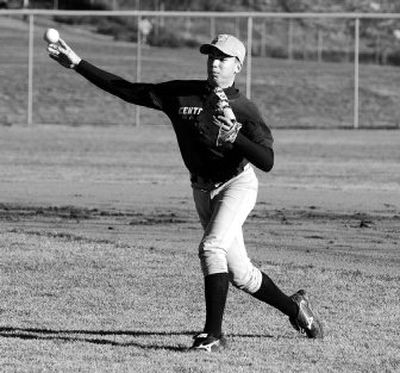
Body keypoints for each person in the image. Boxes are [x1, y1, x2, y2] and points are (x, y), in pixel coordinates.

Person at [47, 33, 323, 352]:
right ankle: (297, 309)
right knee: (242, 274)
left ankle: (213, 335)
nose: (214, 63)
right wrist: (78, 64)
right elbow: (129, 89)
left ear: (238, 66)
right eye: (210, 56)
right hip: (201, 190)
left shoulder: (244, 109)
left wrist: (236, 137)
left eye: (222, 58)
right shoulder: (182, 94)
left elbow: (267, 161)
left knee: (211, 248)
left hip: (237, 184)